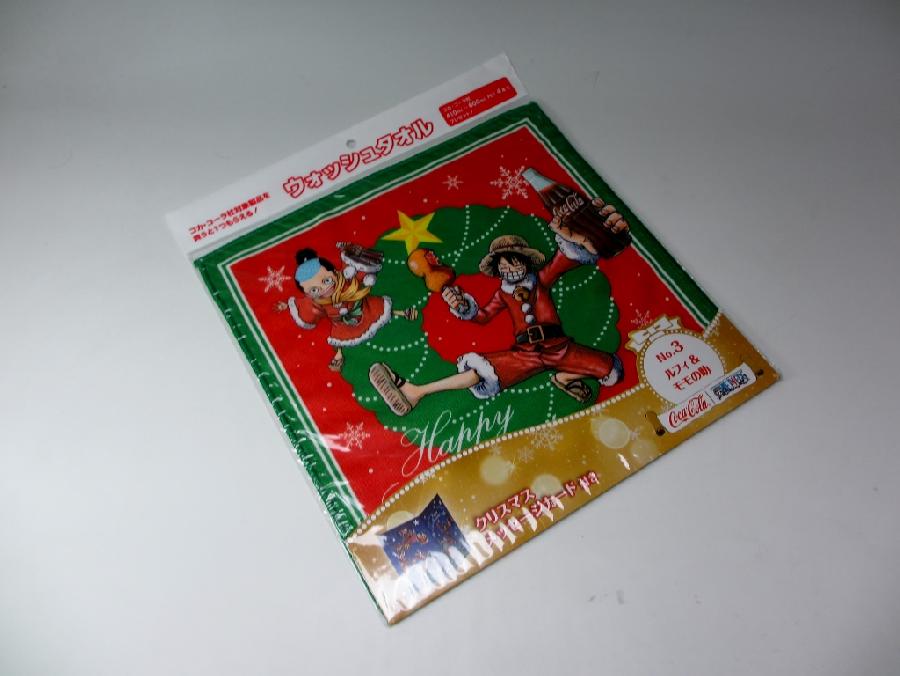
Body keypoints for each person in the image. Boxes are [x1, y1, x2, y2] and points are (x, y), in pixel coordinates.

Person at [369, 209, 628, 416]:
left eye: (513, 263)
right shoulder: (503, 293)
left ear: (525, 261)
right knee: (480, 372)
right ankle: (415, 391)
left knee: (611, 370)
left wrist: (581, 236)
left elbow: (565, 259)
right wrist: (462, 305)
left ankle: (565, 376)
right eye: (502, 266)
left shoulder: (541, 279)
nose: (508, 269)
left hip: (560, 348)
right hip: (525, 354)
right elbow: (482, 316)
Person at [277, 245, 417, 371]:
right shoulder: (317, 302)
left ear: (334, 272)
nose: (324, 289)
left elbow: (357, 275)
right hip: (342, 324)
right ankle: (339, 354)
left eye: (326, 280)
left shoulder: (345, 278)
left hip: (363, 307)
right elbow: (306, 307)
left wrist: (365, 277)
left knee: (379, 308)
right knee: (339, 337)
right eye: (314, 290)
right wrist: (287, 305)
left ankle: (402, 312)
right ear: (307, 293)